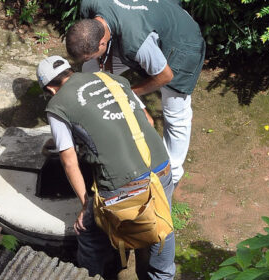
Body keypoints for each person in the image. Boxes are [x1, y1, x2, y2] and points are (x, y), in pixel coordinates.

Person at [36, 55, 175, 279]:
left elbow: (69, 160)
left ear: (51, 90)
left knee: (89, 231)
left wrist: (85, 205)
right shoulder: (112, 79)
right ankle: (161, 274)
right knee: (160, 226)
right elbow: (148, 121)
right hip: (161, 166)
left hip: (124, 185)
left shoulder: (57, 104)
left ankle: (90, 275)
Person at [65, 0, 206, 187]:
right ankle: (97, 127)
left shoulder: (137, 42)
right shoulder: (91, 5)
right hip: (146, 22)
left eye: (94, 53)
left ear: (102, 42)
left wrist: (127, 93)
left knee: (175, 112)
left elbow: (165, 76)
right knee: (90, 69)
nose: (95, 57)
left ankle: (171, 175)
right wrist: (106, 76)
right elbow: (102, 58)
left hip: (181, 41)